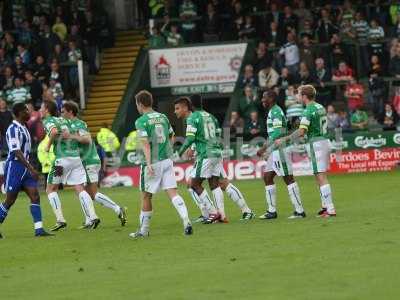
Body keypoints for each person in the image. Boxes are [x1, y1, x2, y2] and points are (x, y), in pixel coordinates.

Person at [174, 96, 255, 223]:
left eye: (177, 108)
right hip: (216, 152)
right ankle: (224, 214)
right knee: (216, 184)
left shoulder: (193, 118)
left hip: (206, 154)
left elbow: (190, 138)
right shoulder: (211, 117)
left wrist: (179, 152)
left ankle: (213, 213)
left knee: (194, 184)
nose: (175, 111)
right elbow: (217, 135)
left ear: (188, 106)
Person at [129, 90, 192, 238]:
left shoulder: (141, 121)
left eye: (137, 104)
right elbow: (172, 135)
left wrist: (149, 163)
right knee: (173, 193)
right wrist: (168, 150)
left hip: (153, 162)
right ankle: (186, 220)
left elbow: (145, 144)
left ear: (140, 104)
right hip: (167, 160)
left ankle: (143, 231)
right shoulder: (163, 117)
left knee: (146, 196)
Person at [61, 101, 128, 227]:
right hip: (87, 161)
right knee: (85, 192)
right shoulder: (73, 125)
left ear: (70, 112)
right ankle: (89, 220)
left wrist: (70, 136)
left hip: (88, 161)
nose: (61, 114)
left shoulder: (78, 124)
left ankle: (118, 210)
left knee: (89, 193)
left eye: (63, 111)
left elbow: (87, 139)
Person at [275, 85, 336, 217]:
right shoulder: (320, 107)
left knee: (321, 176)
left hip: (316, 144)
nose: (297, 97)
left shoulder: (307, 110)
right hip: (325, 141)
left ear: (304, 96)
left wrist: (285, 139)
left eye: (299, 94)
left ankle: (330, 209)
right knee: (319, 175)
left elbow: (302, 132)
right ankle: (325, 206)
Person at [40, 100, 100, 231]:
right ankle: (93, 216)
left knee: (50, 189)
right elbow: (74, 134)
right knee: (79, 188)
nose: (40, 110)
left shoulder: (49, 121)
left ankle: (60, 220)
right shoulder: (65, 121)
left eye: (41, 108)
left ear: (47, 110)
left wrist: (48, 145)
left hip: (61, 161)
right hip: (76, 159)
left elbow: (54, 132)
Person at [0, 103, 53, 238]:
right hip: (15, 167)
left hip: (25, 167)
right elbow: (16, 151)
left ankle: (39, 230)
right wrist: (31, 168)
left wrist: (29, 167)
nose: (28, 112)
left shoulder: (25, 127)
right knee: (10, 200)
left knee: (35, 195)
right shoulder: (13, 129)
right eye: (25, 110)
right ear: (18, 113)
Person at [256, 90, 306, 220]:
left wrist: (264, 147)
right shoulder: (273, 111)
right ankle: (271, 211)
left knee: (288, 178)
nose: (262, 100)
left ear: (271, 98)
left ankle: (299, 211)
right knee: (267, 177)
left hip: (281, 150)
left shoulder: (276, 111)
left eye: (264, 97)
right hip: (276, 150)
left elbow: (277, 132)